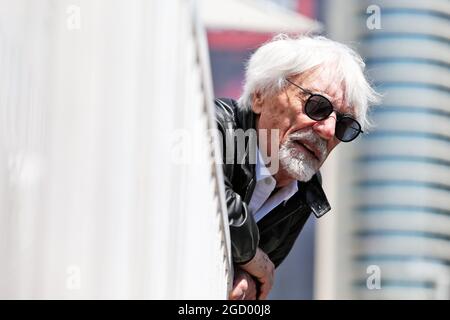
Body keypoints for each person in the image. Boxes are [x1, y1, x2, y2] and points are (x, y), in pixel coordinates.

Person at [214, 34, 380, 300]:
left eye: (343, 125)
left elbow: (257, 284)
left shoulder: (304, 193)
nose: (327, 131)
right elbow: (210, 197)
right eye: (316, 106)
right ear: (260, 95)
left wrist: (245, 274)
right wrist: (251, 254)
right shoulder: (218, 127)